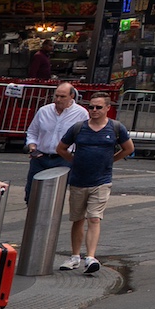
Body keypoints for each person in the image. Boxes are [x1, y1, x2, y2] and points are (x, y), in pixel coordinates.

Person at [55, 93, 132, 276]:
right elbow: (61, 148)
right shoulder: (79, 128)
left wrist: (111, 160)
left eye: (98, 107)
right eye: (91, 107)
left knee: (94, 218)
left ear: (107, 108)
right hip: (78, 180)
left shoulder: (115, 128)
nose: (94, 110)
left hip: (101, 181)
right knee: (77, 219)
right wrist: (74, 160)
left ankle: (90, 257)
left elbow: (128, 148)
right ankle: (75, 256)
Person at [24, 82, 86, 184]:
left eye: (62, 97)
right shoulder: (44, 111)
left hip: (63, 159)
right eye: (56, 96)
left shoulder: (81, 114)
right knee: (32, 192)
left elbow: (84, 138)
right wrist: (32, 147)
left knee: (56, 193)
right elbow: (32, 132)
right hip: (40, 158)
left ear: (72, 96)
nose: (58, 99)